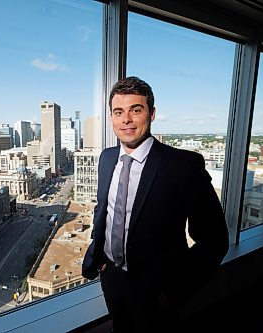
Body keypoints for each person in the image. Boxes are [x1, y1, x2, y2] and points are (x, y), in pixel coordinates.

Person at [82, 76, 229, 332]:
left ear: (151, 114)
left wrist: (174, 291)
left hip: (158, 290)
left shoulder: (183, 166)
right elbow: (103, 210)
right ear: (112, 118)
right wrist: (101, 257)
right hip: (112, 279)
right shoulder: (106, 158)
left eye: (135, 110)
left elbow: (215, 240)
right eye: (118, 112)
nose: (126, 119)